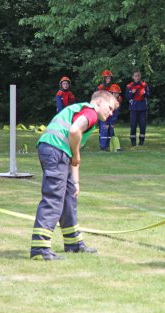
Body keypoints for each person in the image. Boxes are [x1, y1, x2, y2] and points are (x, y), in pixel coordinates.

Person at [30, 90, 119, 260]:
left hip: (53, 149)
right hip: (56, 151)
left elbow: (73, 156)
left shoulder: (82, 110)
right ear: (98, 102)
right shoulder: (91, 113)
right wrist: (76, 154)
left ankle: (73, 243)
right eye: (110, 107)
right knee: (54, 198)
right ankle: (40, 248)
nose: (111, 112)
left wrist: (75, 182)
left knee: (69, 196)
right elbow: (73, 131)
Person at [125, 71, 150, 146]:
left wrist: (145, 93)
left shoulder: (144, 85)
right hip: (134, 108)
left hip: (142, 107)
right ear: (133, 77)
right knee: (133, 125)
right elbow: (127, 97)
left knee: (142, 126)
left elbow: (149, 94)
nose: (137, 77)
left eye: (138, 76)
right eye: (135, 76)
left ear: (140, 76)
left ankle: (141, 142)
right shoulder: (129, 86)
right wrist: (131, 92)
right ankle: (133, 142)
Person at [99, 84, 123, 151]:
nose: (116, 95)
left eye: (117, 93)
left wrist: (112, 122)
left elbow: (115, 113)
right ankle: (103, 147)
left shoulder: (118, 100)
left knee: (111, 131)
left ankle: (109, 145)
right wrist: (106, 122)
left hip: (111, 118)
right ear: (111, 93)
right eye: (115, 93)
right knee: (104, 131)